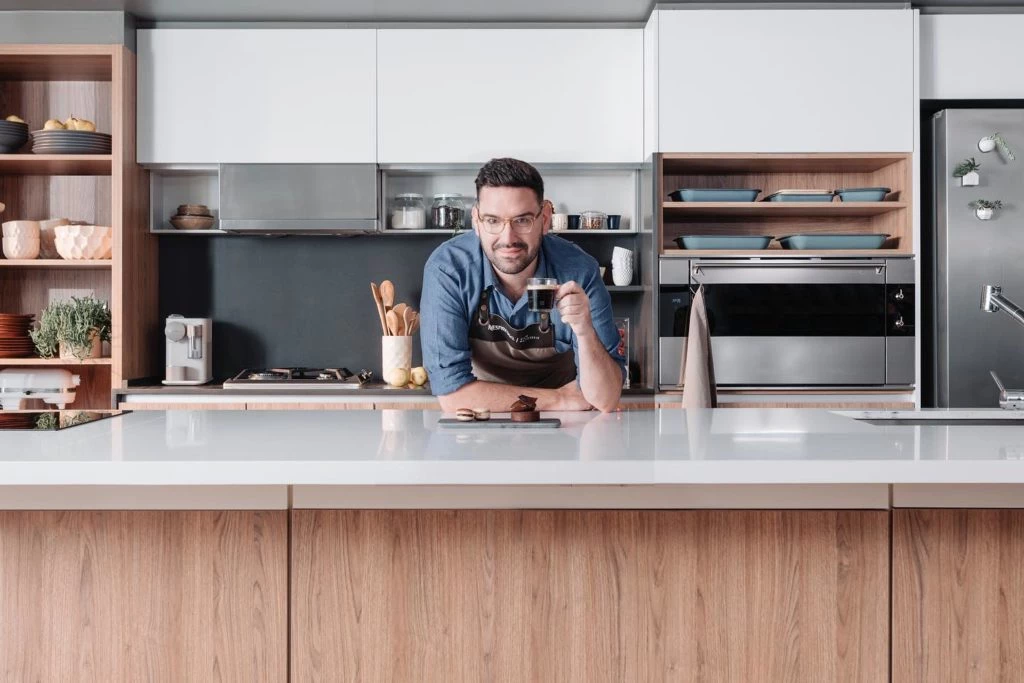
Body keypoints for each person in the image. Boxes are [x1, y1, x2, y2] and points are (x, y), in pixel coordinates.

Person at [420, 157, 625, 413]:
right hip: (484, 422)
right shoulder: (448, 269)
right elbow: (453, 396)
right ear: (476, 221)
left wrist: (584, 332)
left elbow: (605, 399)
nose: (508, 239)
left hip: (565, 428)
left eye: (522, 220)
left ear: (545, 218)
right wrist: (561, 399)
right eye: (493, 221)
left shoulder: (578, 271)